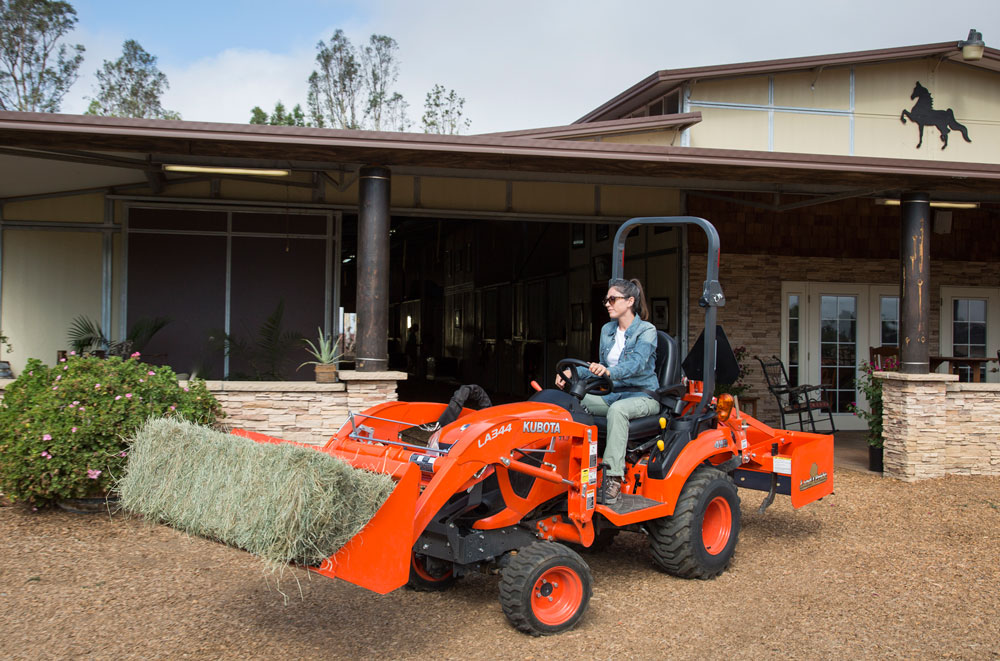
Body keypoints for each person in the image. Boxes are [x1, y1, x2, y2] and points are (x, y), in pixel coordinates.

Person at [557, 278, 659, 504]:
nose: (607, 304)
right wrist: (569, 374)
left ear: (630, 301)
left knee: (618, 411)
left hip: (643, 396)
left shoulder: (647, 331)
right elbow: (598, 368)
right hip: (613, 394)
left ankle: (613, 477)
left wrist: (608, 372)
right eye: (606, 299)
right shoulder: (607, 330)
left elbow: (636, 364)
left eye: (612, 299)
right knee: (572, 402)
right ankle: (569, 464)